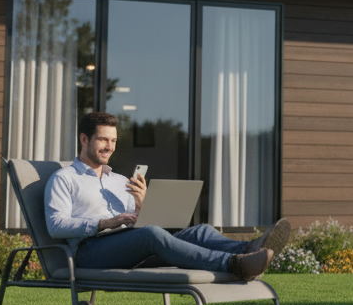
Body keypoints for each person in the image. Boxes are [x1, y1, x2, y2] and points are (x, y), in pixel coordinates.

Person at [44, 112, 289, 281]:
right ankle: (233, 263)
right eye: (103, 140)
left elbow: (142, 224)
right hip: (89, 252)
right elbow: (56, 226)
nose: (110, 146)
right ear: (84, 139)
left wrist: (142, 205)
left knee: (199, 231)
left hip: (129, 244)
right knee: (151, 234)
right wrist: (106, 223)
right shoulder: (64, 178)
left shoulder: (119, 181)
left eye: (114, 140)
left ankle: (249, 248)